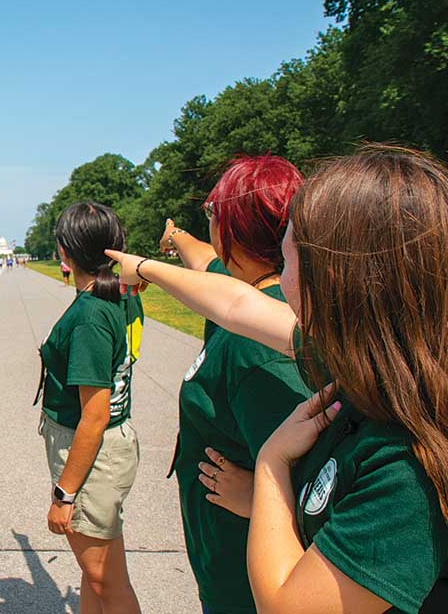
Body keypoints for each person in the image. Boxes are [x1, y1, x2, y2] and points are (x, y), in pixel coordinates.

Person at [106, 145, 448, 613]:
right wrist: (146, 264)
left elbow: (285, 606)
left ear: (337, 279)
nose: (277, 280)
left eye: (288, 262)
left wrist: (271, 467)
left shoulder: (405, 466)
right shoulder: (366, 360)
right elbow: (234, 303)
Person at [158, 156, 311, 613]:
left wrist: (264, 499)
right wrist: (175, 238)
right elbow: (206, 264)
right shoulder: (253, 290)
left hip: (247, 584)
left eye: (212, 213)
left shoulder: (255, 349)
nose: (208, 225)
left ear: (233, 229)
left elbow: (328, 481)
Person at [37, 201, 144, 614]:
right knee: (93, 574)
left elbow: (94, 414)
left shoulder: (90, 316)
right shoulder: (120, 295)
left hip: (92, 457)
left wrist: (64, 494)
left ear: (65, 253)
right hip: (107, 453)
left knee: (107, 580)